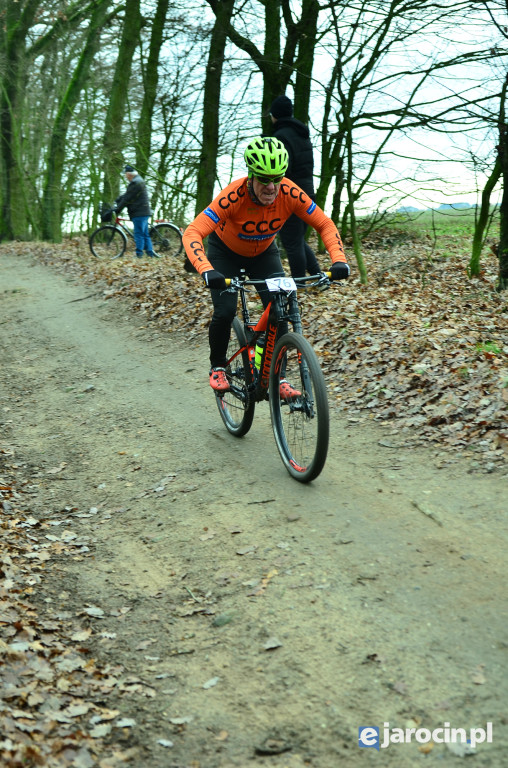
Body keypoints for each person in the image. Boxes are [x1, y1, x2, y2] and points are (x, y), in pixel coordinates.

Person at [182, 136, 350, 394]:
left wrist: (339, 260)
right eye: (264, 179)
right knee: (226, 310)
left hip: (263, 253)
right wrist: (206, 269)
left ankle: (278, 377)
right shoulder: (233, 196)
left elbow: (324, 224)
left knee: (280, 306)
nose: (271, 187)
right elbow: (193, 232)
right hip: (225, 252)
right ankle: (217, 366)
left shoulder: (290, 192)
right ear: (251, 176)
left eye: (277, 178)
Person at [269, 95, 321, 278]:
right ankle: (317, 275)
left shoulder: (280, 137)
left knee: (291, 242)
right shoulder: (301, 134)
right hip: (309, 193)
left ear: (275, 115)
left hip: (291, 194)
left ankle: (299, 284)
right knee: (297, 239)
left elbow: (283, 169)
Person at [114, 165, 156, 258]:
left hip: (139, 212)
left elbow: (127, 198)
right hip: (144, 211)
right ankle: (150, 253)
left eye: (125, 175)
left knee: (139, 234)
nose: (125, 177)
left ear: (129, 174)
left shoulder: (135, 183)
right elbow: (127, 195)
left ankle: (139, 254)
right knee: (145, 234)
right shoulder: (138, 181)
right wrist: (118, 199)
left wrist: (117, 209)